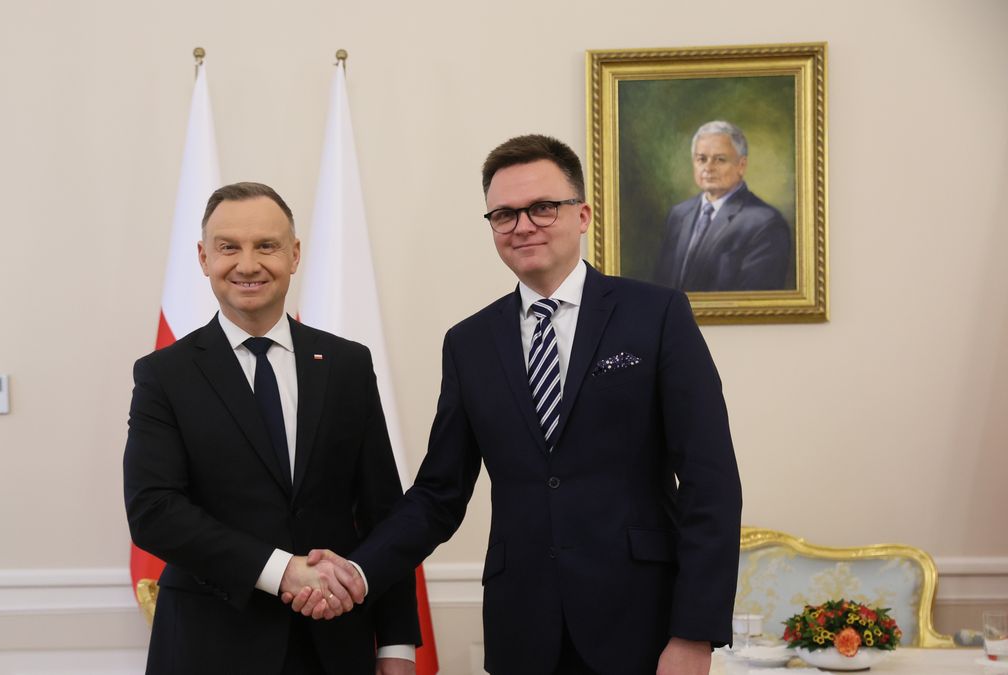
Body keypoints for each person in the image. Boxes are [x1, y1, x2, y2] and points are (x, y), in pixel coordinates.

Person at [290, 136, 742, 675]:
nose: (523, 225)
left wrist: (694, 634)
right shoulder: (469, 343)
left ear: (582, 215)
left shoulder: (658, 315)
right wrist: (359, 571)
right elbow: (439, 494)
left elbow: (709, 483)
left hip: (643, 626)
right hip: (522, 631)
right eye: (504, 214)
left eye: (542, 208)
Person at [123, 182, 419, 674]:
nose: (247, 264)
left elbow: (383, 511)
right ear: (202, 257)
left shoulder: (347, 364)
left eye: (266, 245)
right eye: (228, 247)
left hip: (335, 644)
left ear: (294, 254)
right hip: (209, 646)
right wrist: (282, 571)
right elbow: (153, 511)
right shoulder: (163, 375)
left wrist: (396, 645)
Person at [652, 120, 792, 292]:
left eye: (720, 159)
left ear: (741, 165)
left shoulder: (765, 223)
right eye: (701, 159)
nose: (708, 167)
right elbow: (661, 286)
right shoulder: (679, 215)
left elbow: (756, 299)